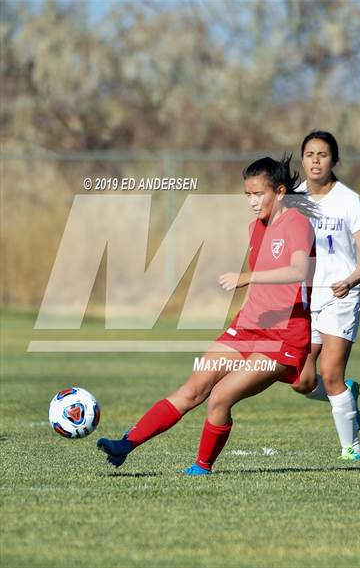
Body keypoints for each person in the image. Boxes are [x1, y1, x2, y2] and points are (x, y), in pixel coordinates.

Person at [97, 155, 316, 475]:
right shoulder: (255, 228)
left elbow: (298, 270)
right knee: (193, 388)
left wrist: (246, 278)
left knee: (220, 397)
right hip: (248, 327)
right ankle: (126, 444)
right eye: (247, 196)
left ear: (281, 192)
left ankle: (202, 467)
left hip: (284, 334)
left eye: (259, 195)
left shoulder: (297, 222)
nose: (253, 202)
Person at [291, 131, 360, 461]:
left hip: (341, 295)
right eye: (310, 154)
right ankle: (345, 396)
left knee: (330, 374)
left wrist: (351, 279)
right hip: (305, 297)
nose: (315, 160)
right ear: (303, 159)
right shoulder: (294, 199)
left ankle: (351, 448)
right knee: (300, 379)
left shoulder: (348, 200)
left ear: (334, 160)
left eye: (323, 154)